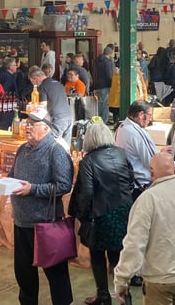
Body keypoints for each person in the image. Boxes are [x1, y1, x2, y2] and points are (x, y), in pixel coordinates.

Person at [114, 154, 175, 304]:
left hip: (159, 277)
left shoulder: (147, 199)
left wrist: (122, 280)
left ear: (151, 172)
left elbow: (134, 244)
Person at [8, 108, 74, 305]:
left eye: (32, 124)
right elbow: (13, 176)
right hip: (21, 221)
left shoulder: (56, 151)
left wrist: (33, 190)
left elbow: (63, 185)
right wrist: (5, 185)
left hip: (45, 224)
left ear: (45, 128)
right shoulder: (22, 149)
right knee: (24, 272)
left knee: (56, 273)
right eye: (26, 123)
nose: (27, 127)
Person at [69, 119, 134, 305]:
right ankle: (124, 296)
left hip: (101, 214)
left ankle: (104, 296)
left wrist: (81, 214)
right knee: (118, 257)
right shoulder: (121, 154)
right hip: (124, 211)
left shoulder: (88, 160)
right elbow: (131, 179)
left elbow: (86, 192)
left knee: (97, 255)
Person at [114, 101, 158, 200]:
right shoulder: (137, 132)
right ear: (141, 115)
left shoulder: (121, 127)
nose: (150, 119)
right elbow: (154, 162)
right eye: (150, 115)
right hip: (141, 187)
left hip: (128, 185)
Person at [28, 67, 74, 145]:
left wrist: (31, 115)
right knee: (65, 146)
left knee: (51, 143)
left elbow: (42, 106)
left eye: (32, 81)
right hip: (69, 116)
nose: (33, 84)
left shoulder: (42, 87)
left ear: (36, 78)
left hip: (57, 119)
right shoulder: (58, 83)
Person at [94, 46, 114, 122]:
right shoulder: (107, 62)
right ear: (110, 53)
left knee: (99, 103)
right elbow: (109, 74)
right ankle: (104, 120)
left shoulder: (97, 61)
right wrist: (112, 83)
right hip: (105, 85)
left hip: (98, 84)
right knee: (104, 104)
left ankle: (97, 118)